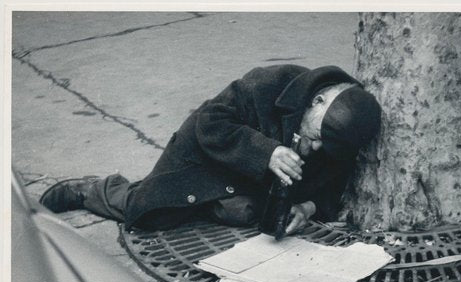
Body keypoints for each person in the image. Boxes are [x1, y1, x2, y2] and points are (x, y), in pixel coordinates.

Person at [40, 64, 381, 234]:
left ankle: (216, 202)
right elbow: (211, 123)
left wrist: (308, 207)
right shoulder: (267, 84)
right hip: (207, 156)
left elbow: (337, 177)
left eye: (323, 144)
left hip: (249, 180)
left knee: (246, 213)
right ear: (316, 101)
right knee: (150, 212)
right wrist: (268, 153)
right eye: (316, 137)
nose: (316, 148)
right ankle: (91, 190)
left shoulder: (344, 123)